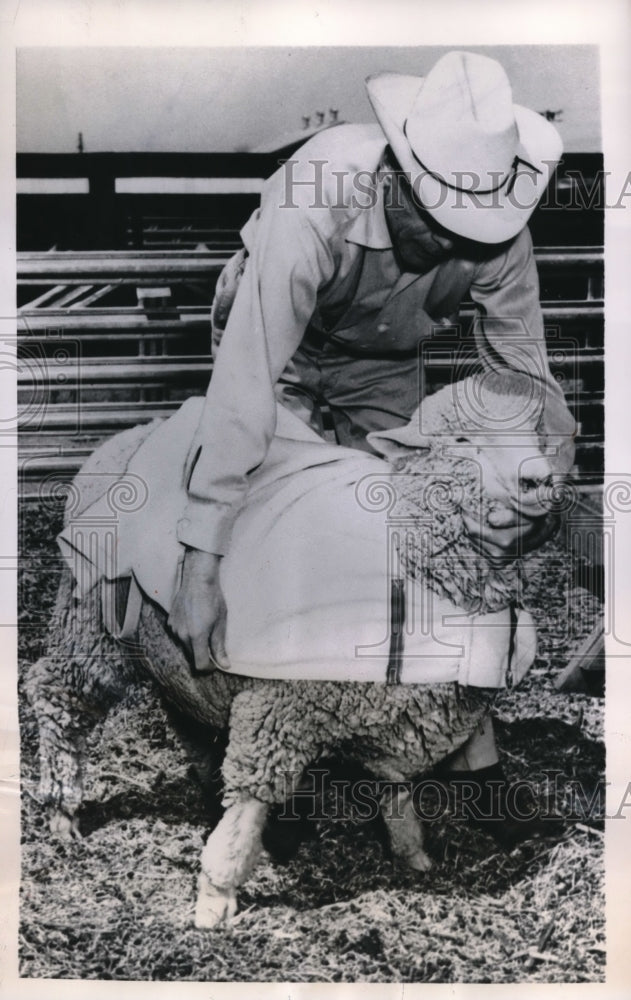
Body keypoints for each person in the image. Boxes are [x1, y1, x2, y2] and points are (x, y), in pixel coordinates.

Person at [167, 50, 575, 846]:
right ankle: (254, 752)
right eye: (434, 218)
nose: (447, 244)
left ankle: (469, 764)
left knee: (411, 531)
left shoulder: (500, 229)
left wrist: (542, 478)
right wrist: (200, 558)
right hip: (281, 342)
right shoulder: (312, 198)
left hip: (383, 358)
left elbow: (524, 376)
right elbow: (248, 378)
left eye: (468, 232)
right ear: (393, 173)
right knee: (276, 519)